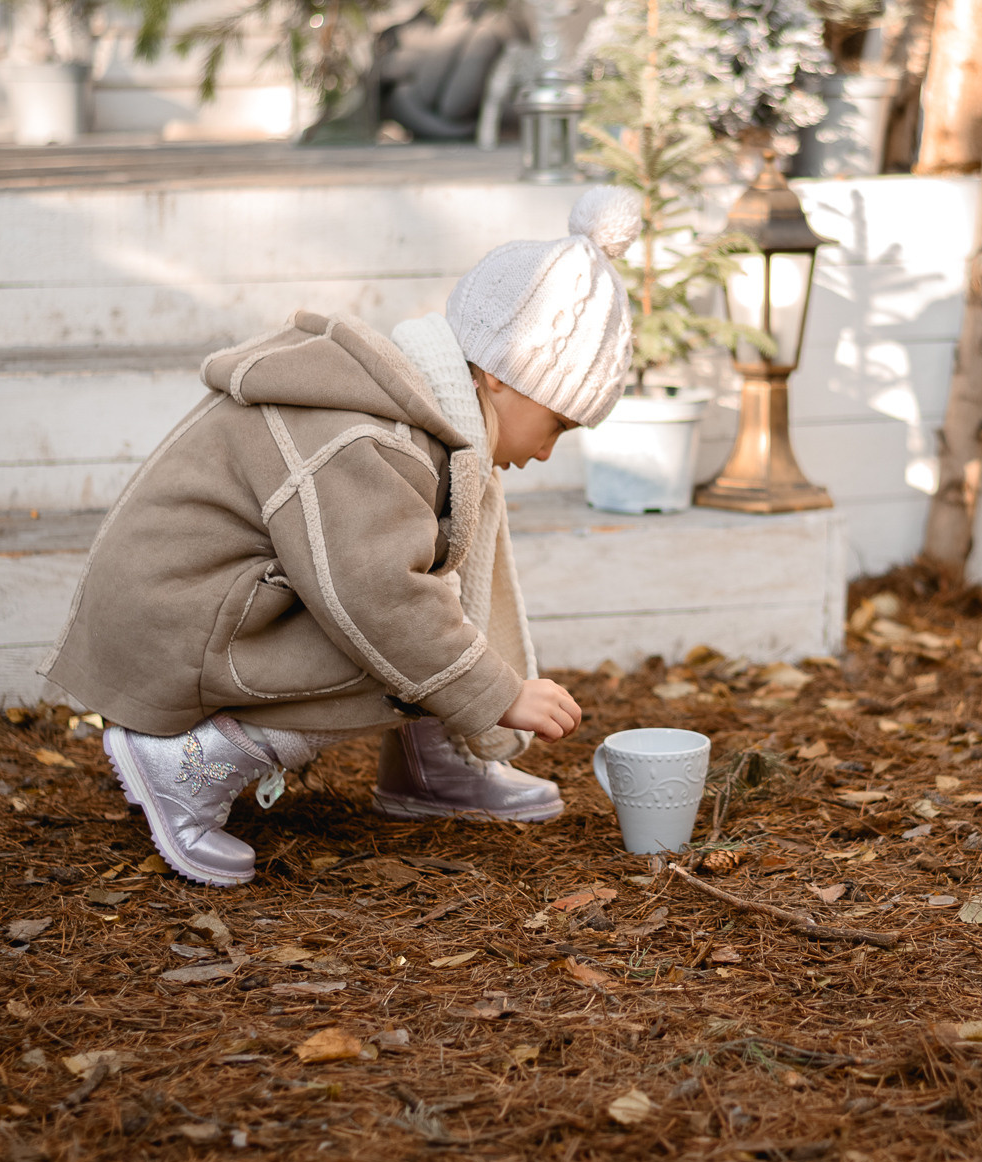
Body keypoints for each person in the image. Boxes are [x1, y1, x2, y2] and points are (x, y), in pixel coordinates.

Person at [41, 186, 640, 886]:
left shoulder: (421, 424)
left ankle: (432, 767)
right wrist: (493, 691)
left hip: (202, 606)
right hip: (172, 626)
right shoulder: (371, 438)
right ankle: (187, 765)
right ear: (501, 377)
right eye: (560, 425)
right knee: (398, 629)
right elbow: (375, 597)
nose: (547, 452)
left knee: (423, 592)